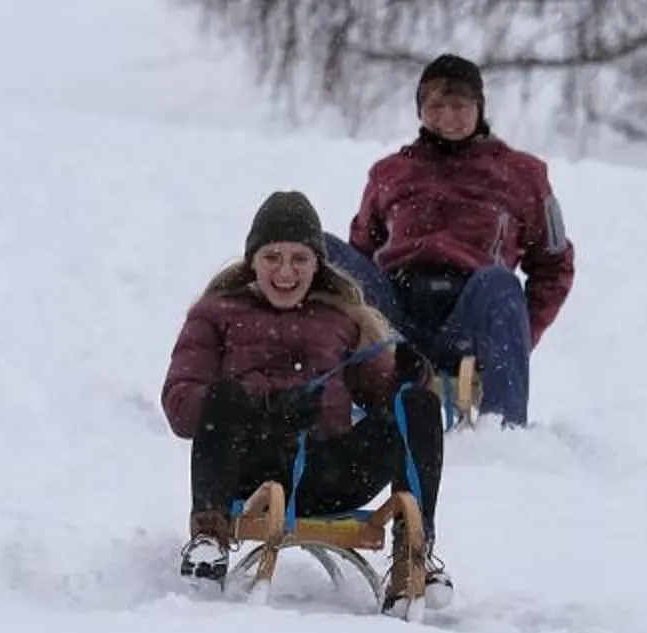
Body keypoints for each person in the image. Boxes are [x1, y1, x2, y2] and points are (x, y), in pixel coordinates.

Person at [160, 190, 443, 592]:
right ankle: (208, 539)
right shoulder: (215, 314)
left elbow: (386, 398)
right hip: (248, 469)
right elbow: (181, 405)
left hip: (332, 473)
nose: (285, 272)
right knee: (222, 395)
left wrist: (408, 376)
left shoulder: (342, 319)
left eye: (299, 259)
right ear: (252, 261)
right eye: (272, 257)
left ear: (316, 264)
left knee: (417, 404)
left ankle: (413, 555)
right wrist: (265, 408)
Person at [326, 54, 575, 428]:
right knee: (316, 250)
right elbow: (359, 253)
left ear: (479, 108)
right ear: (420, 111)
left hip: (468, 318)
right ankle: (311, 404)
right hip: (396, 317)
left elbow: (554, 265)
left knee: (500, 282)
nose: (447, 118)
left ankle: (505, 433)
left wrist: (515, 338)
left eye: (459, 106)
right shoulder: (389, 173)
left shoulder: (523, 175)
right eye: (435, 106)